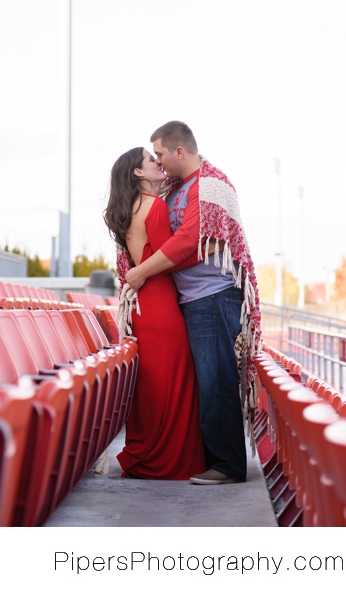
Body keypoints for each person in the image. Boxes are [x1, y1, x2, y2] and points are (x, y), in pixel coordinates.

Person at [124, 121, 261, 485]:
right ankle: (210, 458)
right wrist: (166, 260)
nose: (159, 161)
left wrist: (143, 271)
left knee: (215, 379)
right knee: (205, 380)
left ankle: (227, 466)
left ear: (179, 151)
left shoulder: (210, 184)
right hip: (188, 298)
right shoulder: (174, 189)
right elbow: (191, 243)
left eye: (161, 154)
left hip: (213, 295)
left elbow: (189, 242)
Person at [104, 147, 206, 479]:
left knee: (154, 383)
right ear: (138, 173)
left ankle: (149, 452)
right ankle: (168, 460)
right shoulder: (156, 206)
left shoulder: (128, 209)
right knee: (175, 380)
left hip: (143, 305)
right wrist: (211, 248)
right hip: (162, 303)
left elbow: (143, 261)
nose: (158, 164)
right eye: (151, 160)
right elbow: (170, 257)